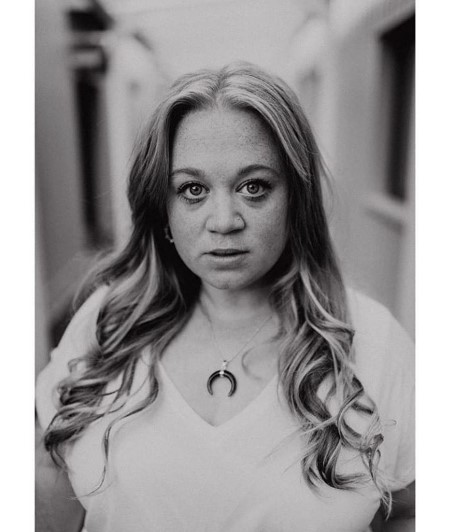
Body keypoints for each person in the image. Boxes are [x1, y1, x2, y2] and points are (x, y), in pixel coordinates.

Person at [36, 63, 415, 532]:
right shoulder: (109, 323)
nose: (223, 221)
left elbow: (410, 510)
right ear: (163, 208)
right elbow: (47, 476)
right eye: (192, 189)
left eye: (254, 187)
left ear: (295, 199)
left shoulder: (372, 342)